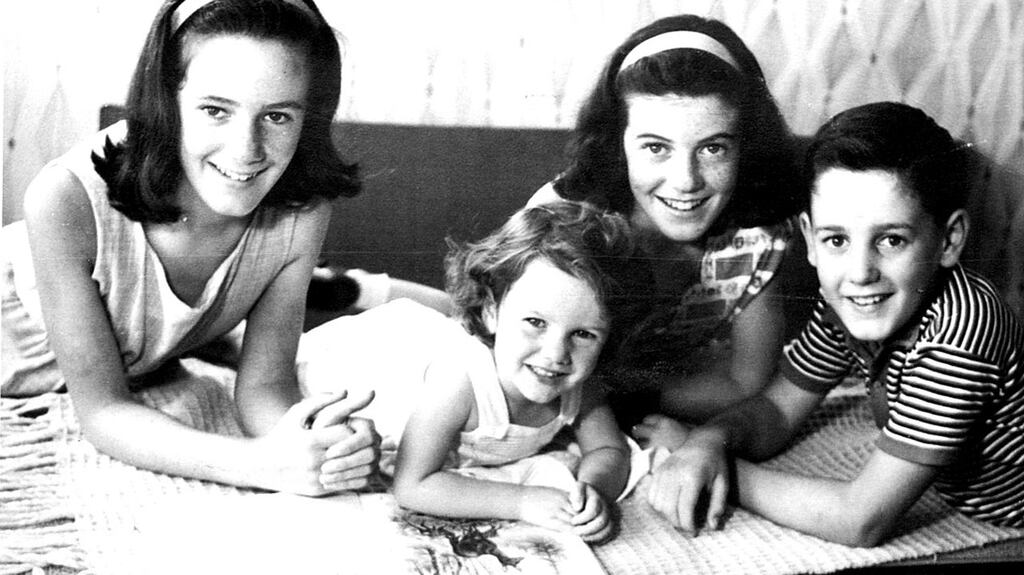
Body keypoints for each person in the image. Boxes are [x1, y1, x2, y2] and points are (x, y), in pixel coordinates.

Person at [0, 0, 380, 496]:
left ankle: (343, 288)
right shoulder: (63, 199)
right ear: (166, 103)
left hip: (148, 347)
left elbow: (265, 386)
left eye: (278, 117)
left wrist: (319, 445)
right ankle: (338, 289)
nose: (247, 149)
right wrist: (260, 465)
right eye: (215, 110)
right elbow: (103, 411)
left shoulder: (304, 209)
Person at [641, 102, 1024, 546]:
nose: (860, 272)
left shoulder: (962, 332)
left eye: (892, 240)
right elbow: (779, 410)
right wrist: (710, 439)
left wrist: (713, 464)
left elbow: (860, 521)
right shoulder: (847, 305)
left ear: (949, 240)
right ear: (810, 239)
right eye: (837, 240)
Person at [297, 202, 654, 543]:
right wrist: (522, 501)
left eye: (583, 334)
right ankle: (329, 291)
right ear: (491, 312)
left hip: (455, 343)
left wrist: (591, 492)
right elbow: (413, 485)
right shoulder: (460, 385)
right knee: (303, 367)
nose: (556, 354)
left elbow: (609, 448)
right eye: (535, 322)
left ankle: (349, 286)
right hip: (375, 365)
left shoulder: (579, 385)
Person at [528, 14, 806, 426]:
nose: (686, 182)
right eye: (656, 147)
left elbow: (743, 382)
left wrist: (620, 402)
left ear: (745, 146)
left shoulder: (756, 240)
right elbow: (497, 343)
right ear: (617, 144)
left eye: (713, 149)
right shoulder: (565, 212)